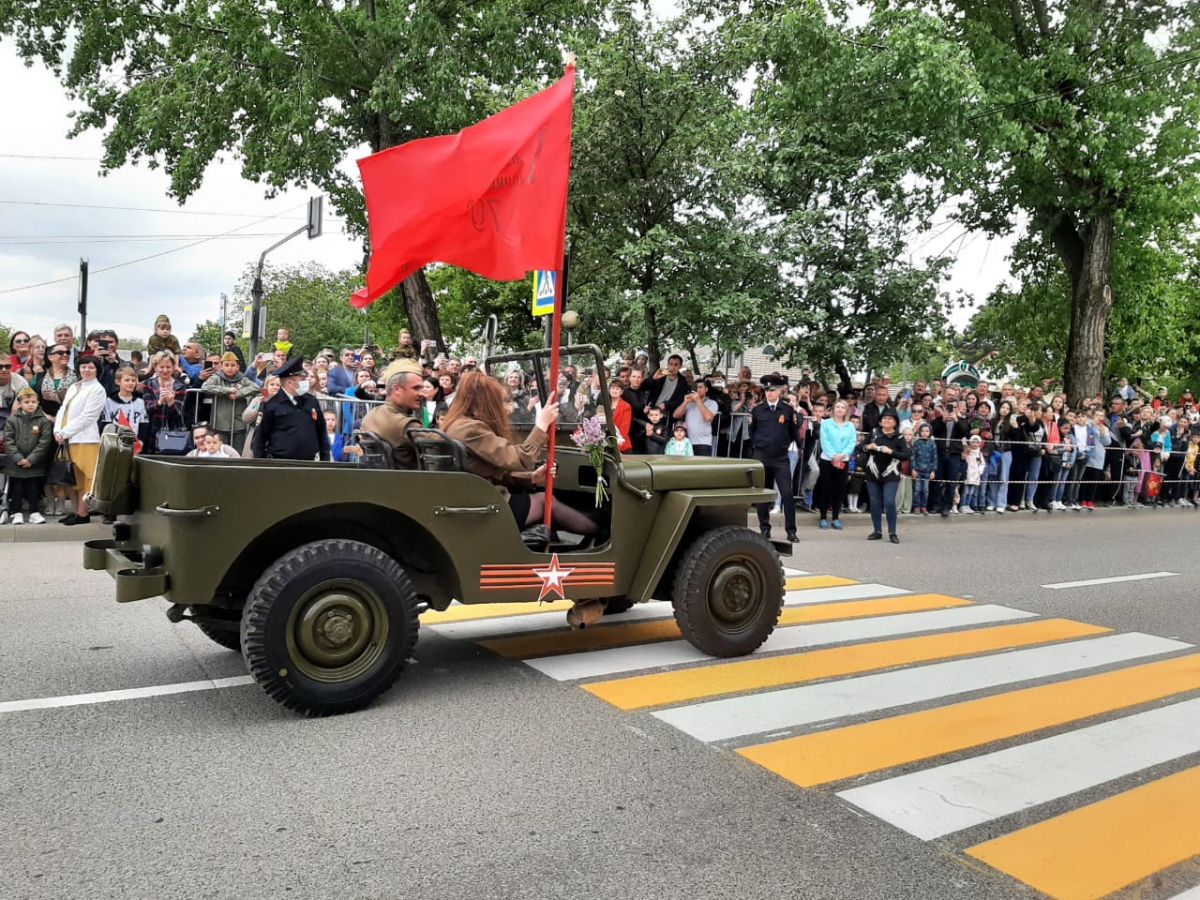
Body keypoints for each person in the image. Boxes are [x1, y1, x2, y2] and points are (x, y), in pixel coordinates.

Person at [441, 372, 598, 536]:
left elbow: (488, 470)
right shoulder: (470, 429)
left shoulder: (455, 424)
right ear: (484, 400)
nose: (503, 407)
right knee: (546, 501)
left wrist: (531, 478)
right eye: (496, 400)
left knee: (544, 503)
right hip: (488, 505)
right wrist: (542, 424)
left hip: (476, 497)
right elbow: (519, 459)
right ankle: (601, 535)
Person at [52, 354, 108, 525]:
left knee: (85, 478)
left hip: (86, 439)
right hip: (68, 438)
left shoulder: (98, 389)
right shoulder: (75, 386)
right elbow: (63, 409)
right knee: (73, 478)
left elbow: (88, 417)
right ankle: (76, 511)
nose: (87, 370)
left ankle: (84, 513)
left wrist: (65, 432)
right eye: (84, 367)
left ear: (97, 370)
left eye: (91, 367)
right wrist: (57, 430)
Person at [750, 374, 802, 542]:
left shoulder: (787, 410)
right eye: (766, 390)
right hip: (762, 456)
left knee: (787, 493)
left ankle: (791, 531)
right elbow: (752, 432)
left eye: (772, 390)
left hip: (780, 457)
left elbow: (793, 432)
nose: (769, 393)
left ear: (780, 391)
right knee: (762, 495)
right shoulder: (757, 410)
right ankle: (764, 528)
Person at [251, 357, 329, 461]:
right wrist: (264, 466)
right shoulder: (271, 405)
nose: (306, 382)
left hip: (308, 463)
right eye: (302, 380)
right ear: (290, 383)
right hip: (280, 463)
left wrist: (325, 461)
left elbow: (321, 432)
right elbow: (259, 439)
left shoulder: (311, 401)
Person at [2, 387, 54, 525]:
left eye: (33, 401)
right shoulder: (12, 420)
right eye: (26, 402)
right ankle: (17, 512)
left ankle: (34, 512)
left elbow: (44, 442)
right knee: (17, 487)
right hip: (15, 462)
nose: (30, 404)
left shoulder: (43, 421)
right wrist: (18, 458)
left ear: (38, 403)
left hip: (34, 462)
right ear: (20, 403)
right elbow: (8, 440)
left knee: (33, 487)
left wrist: (31, 459)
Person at [359, 360, 424, 470]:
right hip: (407, 484)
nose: (421, 393)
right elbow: (445, 448)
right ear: (396, 389)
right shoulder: (407, 425)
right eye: (416, 388)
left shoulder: (370, 416)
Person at [861, 409, 910, 543]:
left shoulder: (899, 437)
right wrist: (868, 446)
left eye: (890, 419)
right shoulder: (874, 433)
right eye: (884, 418)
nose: (886, 421)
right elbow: (860, 447)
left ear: (895, 422)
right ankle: (877, 531)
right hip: (873, 472)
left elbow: (905, 455)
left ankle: (892, 532)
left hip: (891, 474)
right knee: (875, 502)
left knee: (889, 501)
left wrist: (891, 451)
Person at [200, 353, 260, 452]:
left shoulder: (242, 379)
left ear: (238, 367)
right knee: (220, 451)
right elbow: (205, 387)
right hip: (219, 422)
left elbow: (256, 387)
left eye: (233, 365)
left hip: (238, 422)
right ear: (222, 366)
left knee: (237, 451)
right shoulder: (216, 377)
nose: (229, 368)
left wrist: (239, 393)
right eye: (226, 365)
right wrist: (227, 390)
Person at [813, 398, 856, 530]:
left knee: (839, 489)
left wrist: (842, 455)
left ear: (846, 411)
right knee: (825, 488)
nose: (839, 409)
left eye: (842, 408)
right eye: (837, 407)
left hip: (843, 460)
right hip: (827, 460)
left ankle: (836, 517)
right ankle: (823, 517)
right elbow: (825, 441)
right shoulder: (826, 423)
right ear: (833, 409)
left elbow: (852, 442)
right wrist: (833, 456)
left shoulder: (850, 426)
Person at [673, 379, 718, 456]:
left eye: (700, 387)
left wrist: (698, 400)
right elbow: (675, 415)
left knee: (702, 467)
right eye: (696, 387)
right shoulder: (689, 403)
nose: (698, 390)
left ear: (706, 389)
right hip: (687, 442)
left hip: (704, 443)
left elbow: (708, 418)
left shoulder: (712, 403)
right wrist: (685, 402)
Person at [39, 342, 77, 417]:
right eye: (60, 353)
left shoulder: (77, 376)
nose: (65, 355)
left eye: (67, 352)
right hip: (45, 421)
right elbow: (31, 399)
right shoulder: (40, 377)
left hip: (71, 419)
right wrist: (47, 417)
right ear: (50, 357)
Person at [911, 422, 937, 515]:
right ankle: (916, 507)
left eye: (927, 431)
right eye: (923, 431)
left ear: (930, 432)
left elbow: (934, 458)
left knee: (925, 491)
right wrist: (913, 469)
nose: (925, 433)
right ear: (920, 432)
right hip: (917, 470)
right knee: (917, 490)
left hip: (927, 471)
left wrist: (933, 471)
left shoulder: (932, 444)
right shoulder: (916, 443)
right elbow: (913, 456)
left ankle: (924, 507)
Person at [607, 379, 633, 453]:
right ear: (609, 390)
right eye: (613, 388)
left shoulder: (626, 406)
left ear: (621, 392)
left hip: (621, 445)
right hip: (607, 444)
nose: (614, 391)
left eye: (617, 389)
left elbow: (624, 430)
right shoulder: (605, 405)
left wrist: (615, 445)